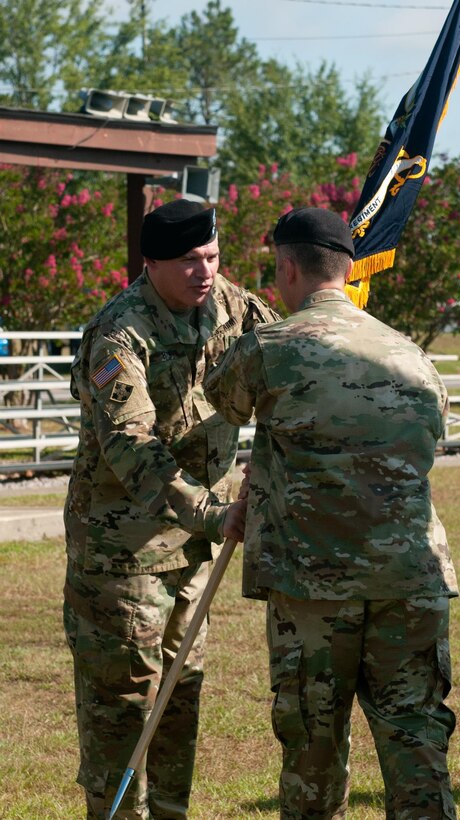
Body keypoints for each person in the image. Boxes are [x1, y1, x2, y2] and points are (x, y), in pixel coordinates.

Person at [204, 207, 459, 819]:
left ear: (288, 269)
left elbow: (222, 396)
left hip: (315, 586)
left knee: (314, 753)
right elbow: (430, 435)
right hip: (409, 580)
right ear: (346, 271)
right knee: (417, 744)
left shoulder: (269, 349)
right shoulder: (412, 356)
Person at [63, 198, 279, 820]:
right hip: (121, 554)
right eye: (188, 261)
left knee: (181, 697)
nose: (204, 272)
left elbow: (283, 365)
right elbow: (131, 447)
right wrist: (214, 513)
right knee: (125, 705)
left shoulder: (236, 308)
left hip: (194, 551)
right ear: (150, 262)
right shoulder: (121, 331)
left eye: (211, 256)